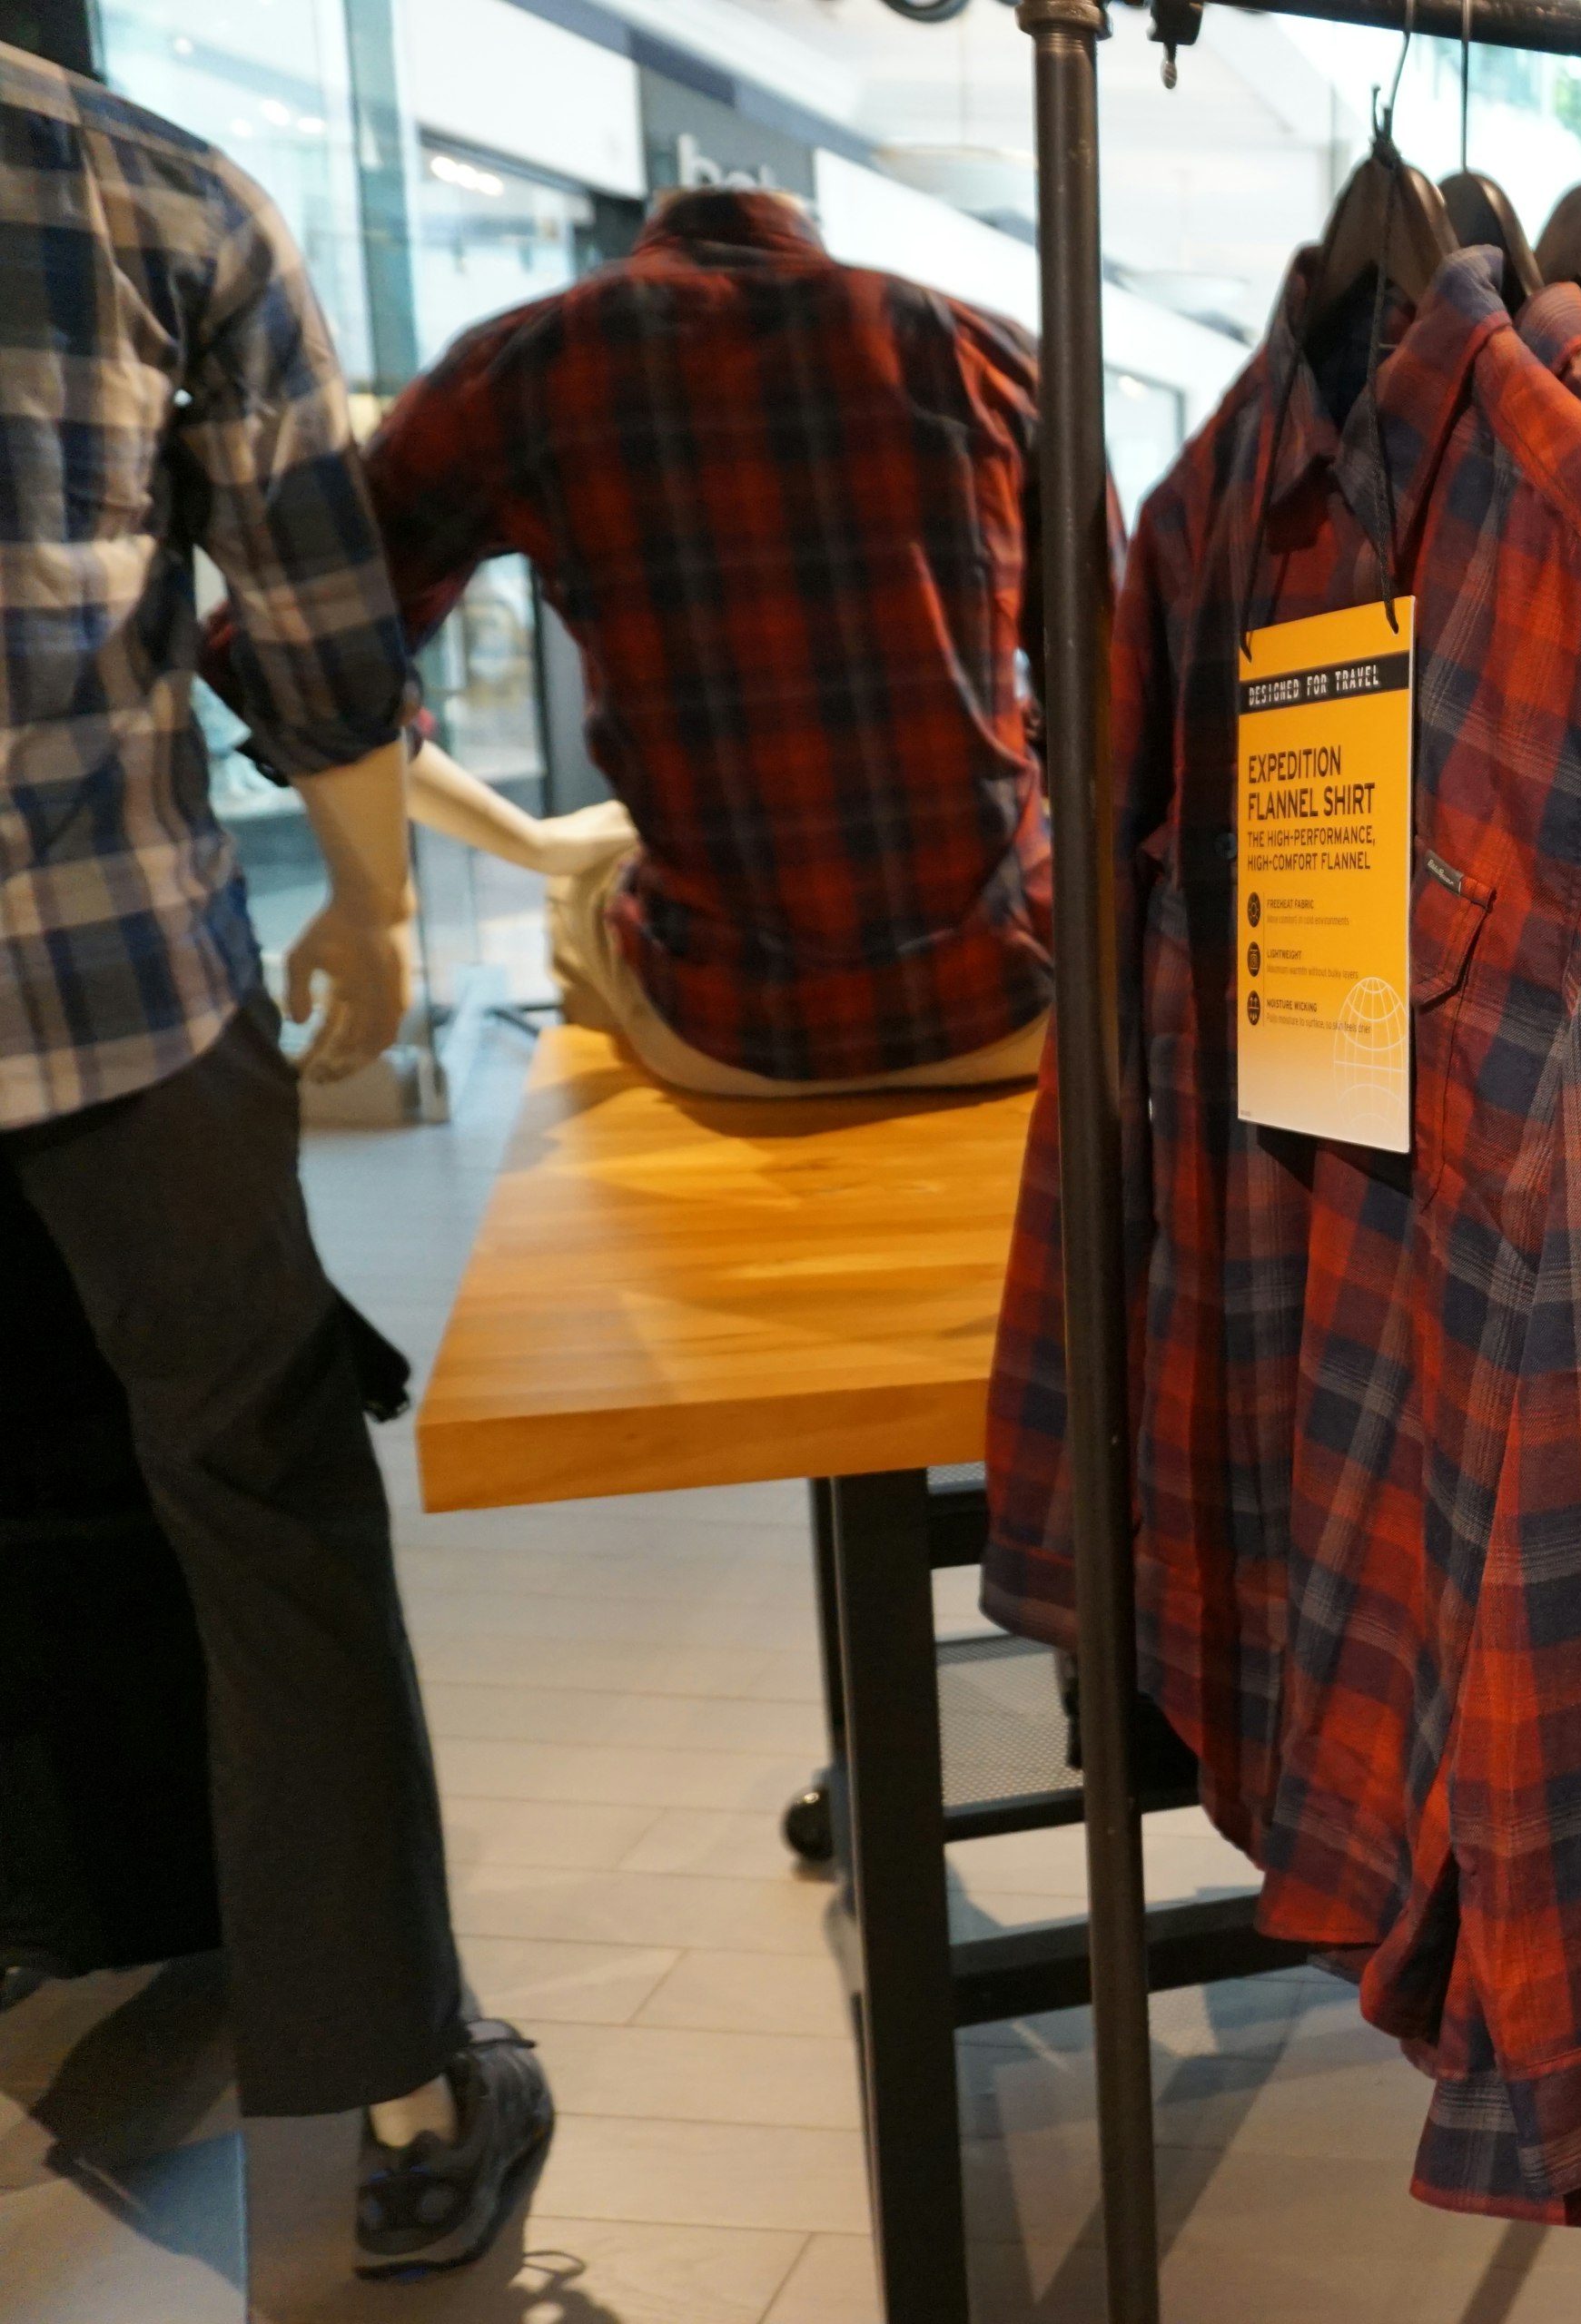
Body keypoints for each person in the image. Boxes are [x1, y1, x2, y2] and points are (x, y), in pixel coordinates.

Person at [0, 44, 550, 2278]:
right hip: (114, 980)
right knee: (262, 1495)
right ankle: (391, 2087)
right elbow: (311, 605)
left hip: (113, 976)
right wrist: (375, 896)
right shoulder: (139, 187)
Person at [315, 182, 1062, 1100]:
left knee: (578, 881)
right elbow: (1113, 685)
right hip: (1020, 998)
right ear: (805, 234)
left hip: (729, 1034)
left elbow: (309, 650)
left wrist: (386, 899)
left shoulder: (521, 364)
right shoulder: (985, 351)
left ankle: (654, 1205)